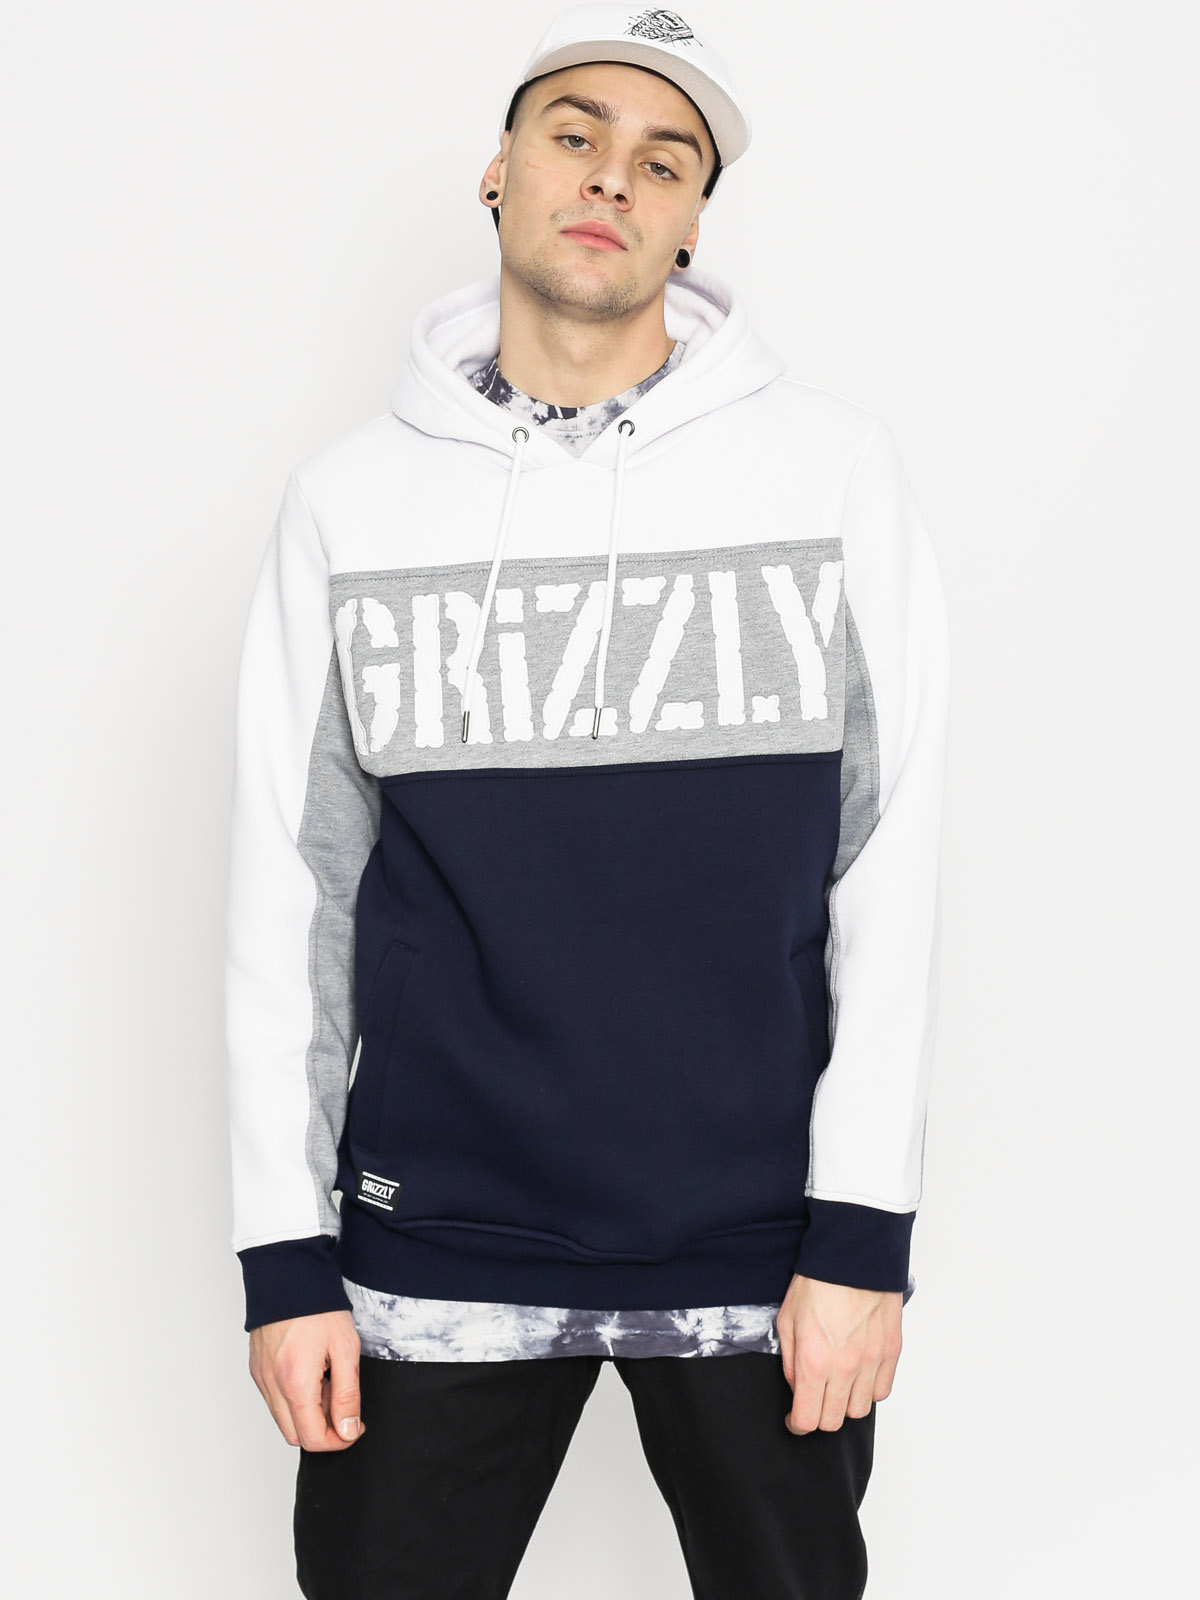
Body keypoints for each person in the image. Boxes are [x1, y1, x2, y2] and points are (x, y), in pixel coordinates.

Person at [224, 5, 951, 1596]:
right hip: (435, 1236)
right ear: (498, 171)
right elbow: (295, 893)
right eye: (575, 135)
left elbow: (889, 870)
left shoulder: (832, 474)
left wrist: (863, 1237)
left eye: (664, 161)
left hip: (762, 1251)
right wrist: (285, 1256)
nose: (613, 176)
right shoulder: (351, 502)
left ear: (693, 224)